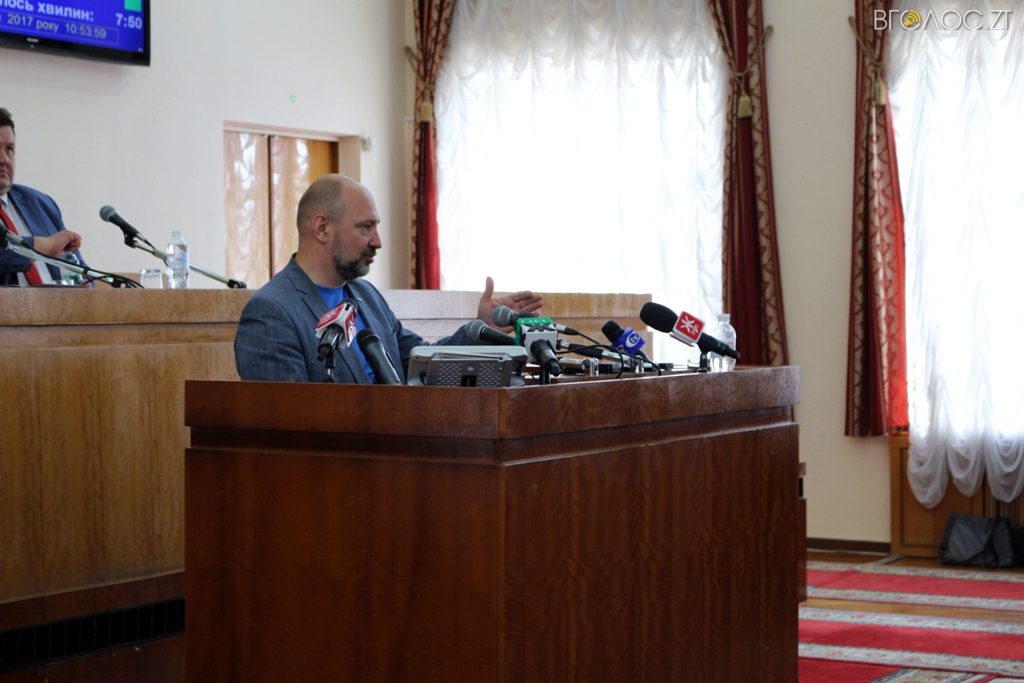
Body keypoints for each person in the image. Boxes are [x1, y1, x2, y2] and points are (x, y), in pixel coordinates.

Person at [234, 173, 543, 383]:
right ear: (322, 228)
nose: (377, 241)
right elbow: (286, 424)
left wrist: (482, 330)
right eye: (365, 227)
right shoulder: (271, 312)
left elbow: (419, 362)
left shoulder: (366, 295)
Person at [0, 107, 86, 286]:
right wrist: (40, 246)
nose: (4, 159)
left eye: (9, 149)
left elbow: (82, 275)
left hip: (59, 303)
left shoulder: (41, 204)